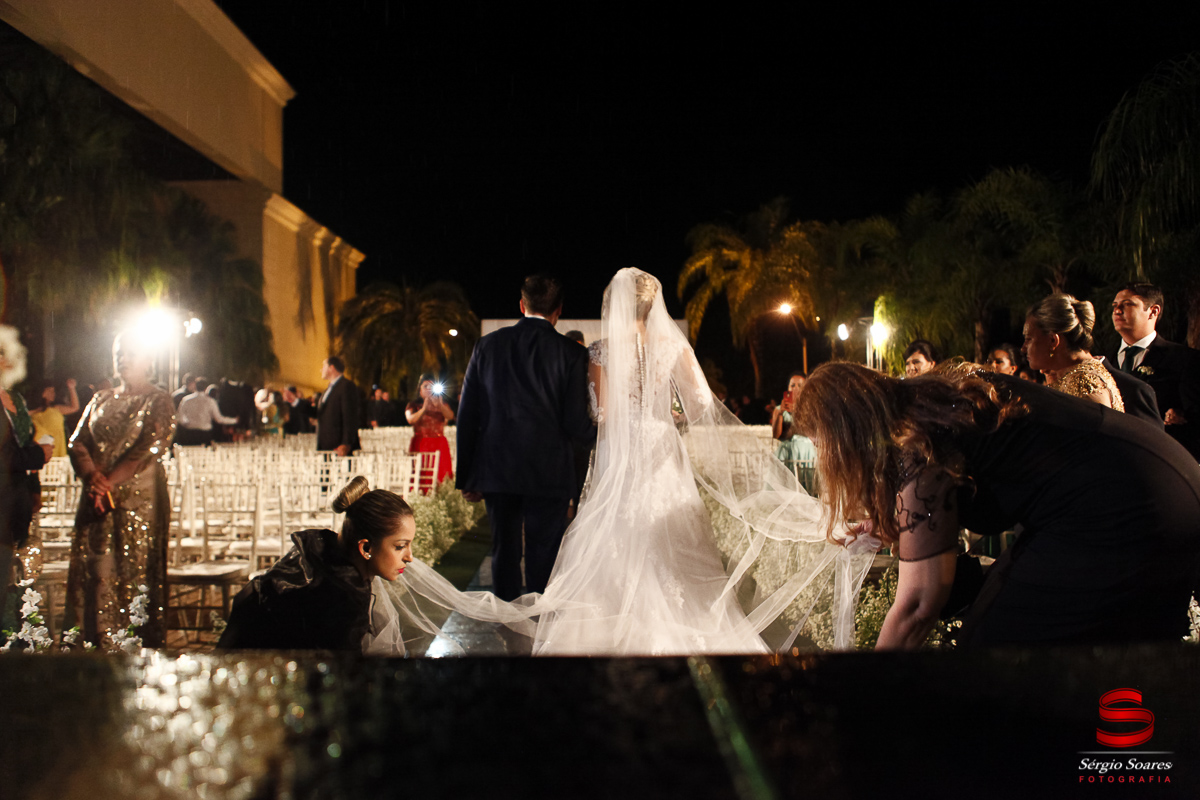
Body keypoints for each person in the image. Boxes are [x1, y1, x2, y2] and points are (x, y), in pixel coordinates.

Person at [794, 363, 1200, 647]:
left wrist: (866, 692)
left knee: (990, 645)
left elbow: (919, 605)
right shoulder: (931, 402)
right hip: (1169, 477)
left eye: (822, 444)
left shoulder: (916, 447)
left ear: (845, 434)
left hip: (1123, 509)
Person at [457, 274, 594, 600]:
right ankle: (537, 621)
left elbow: (468, 414)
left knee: (503, 549)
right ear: (558, 311)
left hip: (498, 469)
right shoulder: (572, 354)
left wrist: (468, 476)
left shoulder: (487, 345)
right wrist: (603, 434)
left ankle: (505, 620)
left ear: (522, 305)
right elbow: (575, 422)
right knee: (543, 552)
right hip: (549, 472)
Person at [66, 333, 176, 649]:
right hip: (96, 495)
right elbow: (78, 441)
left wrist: (111, 480)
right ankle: (96, 642)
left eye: (130, 353)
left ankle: (135, 644)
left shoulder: (158, 399)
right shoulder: (101, 399)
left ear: (148, 360)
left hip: (140, 498)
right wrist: (92, 477)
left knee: (135, 567)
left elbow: (151, 445)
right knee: (96, 566)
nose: (123, 359)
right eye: (118, 353)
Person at [218, 476, 413, 654]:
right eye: (400, 546)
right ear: (366, 548)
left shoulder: (320, 553)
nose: (410, 557)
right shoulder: (343, 600)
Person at [1111, 282, 1200, 458]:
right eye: (1115, 305)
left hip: (1164, 459)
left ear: (1153, 311)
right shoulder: (1104, 361)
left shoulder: (1185, 359)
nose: (1117, 310)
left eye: (1127, 304)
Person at [1023, 294, 1123, 411]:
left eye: (1028, 339)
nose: (1023, 348)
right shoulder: (1073, 375)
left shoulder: (1085, 385)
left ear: (1053, 340)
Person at [405, 375, 455, 490]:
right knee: (421, 471)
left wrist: (440, 406)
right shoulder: (413, 405)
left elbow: (450, 416)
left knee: (441, 472)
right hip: (421, 442)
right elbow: (410, 420)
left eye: (431, 386)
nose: (428, 389)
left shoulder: (441, 403)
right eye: (425, 386)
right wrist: (424, 408)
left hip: (439, 443)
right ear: (420, 389)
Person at [313, 356, 362, 456]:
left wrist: (346, 443)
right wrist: (295, 401)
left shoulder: (346, 386)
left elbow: (350, 416)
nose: (321, 369)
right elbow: (321, 413)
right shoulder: (328, 390)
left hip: (339, 447)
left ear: (332, 368)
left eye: (323, 366)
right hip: (326, 445)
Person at [27, 378, 80, 459]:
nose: (53, 393)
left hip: (59, 451)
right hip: (42, 451)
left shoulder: (56, 409)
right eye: (49, 391)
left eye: (53, 391)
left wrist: (72, 388)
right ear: (41, 392)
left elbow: (74, 407)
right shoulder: (32, 413)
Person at [176, 378, 239, 446]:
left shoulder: (186, 400)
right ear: (206, 388)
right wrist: (234, 420)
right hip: (205, 435)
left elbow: (180, 417)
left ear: (195, 386)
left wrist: (187, 424)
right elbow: (219, 419)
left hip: (190, 434)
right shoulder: (210, 401)